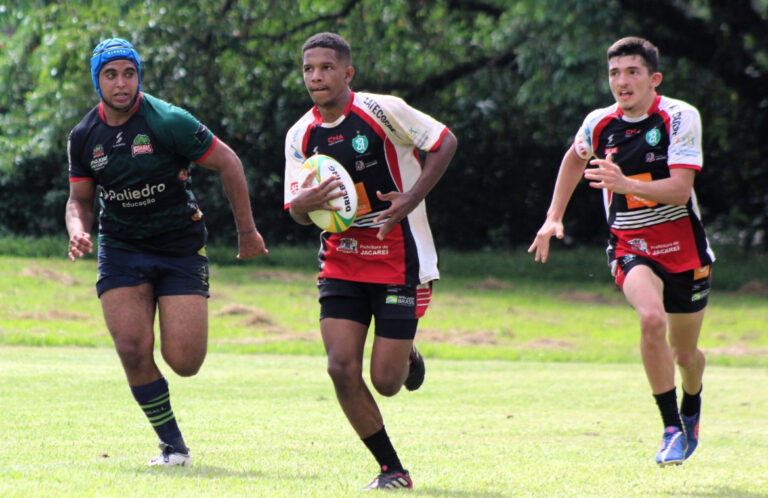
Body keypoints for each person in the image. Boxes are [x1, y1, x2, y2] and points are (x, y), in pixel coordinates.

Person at [65, 38, 268, 467]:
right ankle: (173, 447)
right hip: (121, 248)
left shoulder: (167, 120)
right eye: (110, 74)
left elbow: (229, 162)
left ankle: (174, 438)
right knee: (133, 349)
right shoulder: (84, 136)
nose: (121, 83)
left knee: (185, 361)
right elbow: (79, 200)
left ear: (138, 76)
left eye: (129, 73)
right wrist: (78, 230)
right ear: (96, 81)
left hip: (180, 247)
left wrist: (246, 231)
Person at [529, 37, 714, 467]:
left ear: (654, 79)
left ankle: (692, 402)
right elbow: (574, 159)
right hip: (631, 246)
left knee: (686, 355)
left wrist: (626, 184)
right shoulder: (598, 122)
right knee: (651, 320)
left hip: (685, 251)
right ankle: (671, 428)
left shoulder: (679, 116)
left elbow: (680, 189)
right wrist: (554, 215)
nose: (621, 81)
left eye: (632, 72)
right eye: (614, 73)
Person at [283, 32, 457, 489]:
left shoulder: (383, 111)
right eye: (308, 69)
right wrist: (307, 201)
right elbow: (298, 214)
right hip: (341, 259)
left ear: (347, 72)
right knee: (340, 367)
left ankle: (404, 356)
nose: (315, 76)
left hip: (399, 255)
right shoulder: (300, 135)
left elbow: (444, 142)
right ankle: (391, 469)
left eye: (325, 67)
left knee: (385, 380)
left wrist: (410, 199)